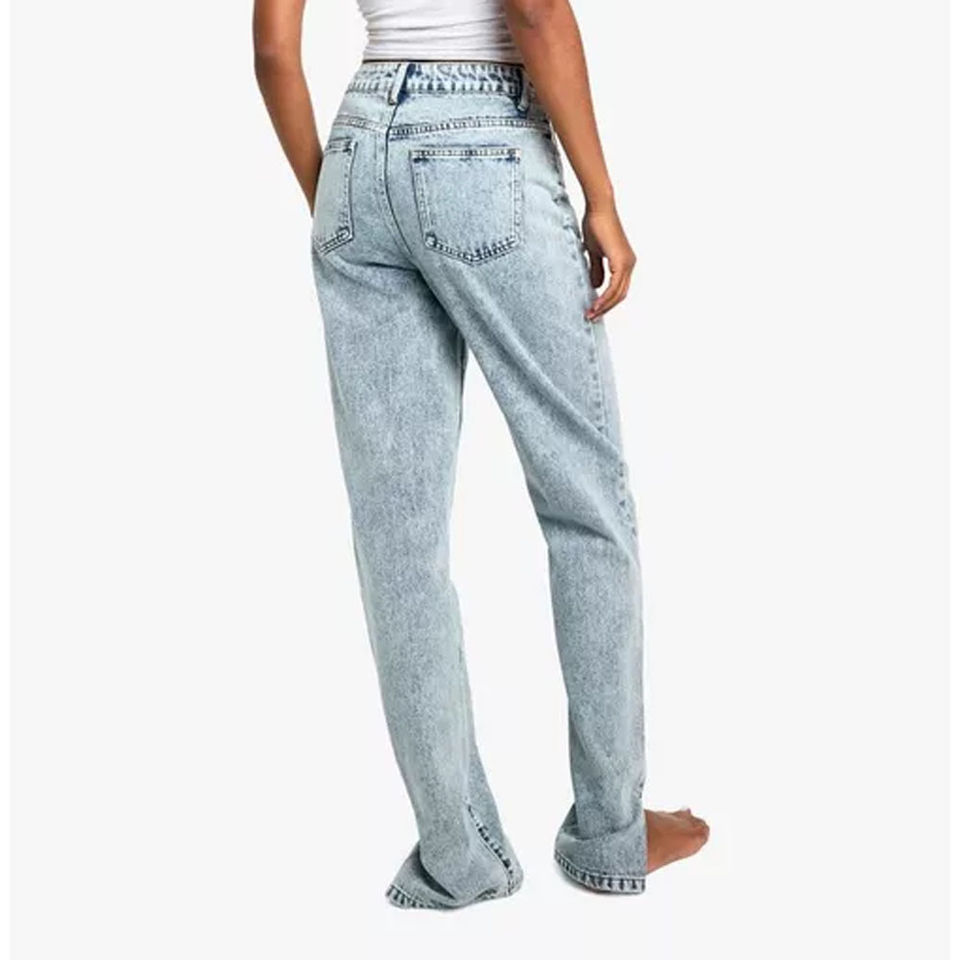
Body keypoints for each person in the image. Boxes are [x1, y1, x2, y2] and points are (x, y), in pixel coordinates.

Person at [253, 0, 708, 910]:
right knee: (584, 501)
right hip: (482, 140)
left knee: (397, 540)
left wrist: (337, 200)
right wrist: (603, 198)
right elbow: (534, 11)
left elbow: (273, 50)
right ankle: (611, 832)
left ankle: (456, 857)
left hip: (355, 147)